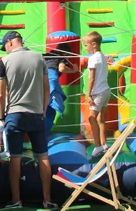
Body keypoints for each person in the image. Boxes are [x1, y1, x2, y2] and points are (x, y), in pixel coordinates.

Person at [0, 31, 55, 209]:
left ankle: (16, 200)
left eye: (5, 46)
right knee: (43, 156)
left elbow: (0, 94)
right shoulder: (39, 58)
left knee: (15, 158)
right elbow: (46, 89)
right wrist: (42, 110)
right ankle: (47, 199)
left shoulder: (4, 62)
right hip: (36, 113)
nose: (5, 49)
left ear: (10, 43)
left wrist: (1, 116)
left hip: (14, 113)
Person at [83, 31, 111, 161]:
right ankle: (104, 143)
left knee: (91, 118)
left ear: (93, 44)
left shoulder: (93, 58)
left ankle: (98, 145)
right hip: (106, 90)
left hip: (98, 92)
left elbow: (91, 78)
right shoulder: (102, 57)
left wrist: (88, 94)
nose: (85, 48)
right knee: (100, 118)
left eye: (86, 45)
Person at [43, 42, 78, 140]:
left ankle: (38, 136)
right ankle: (44, 136)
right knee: (51, 109)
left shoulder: (46, 56)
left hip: (39, 81)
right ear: (65, 53)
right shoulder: (61, 56)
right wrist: (73, 70)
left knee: (42, 110)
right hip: (51, 82)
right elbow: (61, 68)